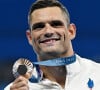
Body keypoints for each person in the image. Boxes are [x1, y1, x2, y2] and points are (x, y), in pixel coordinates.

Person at [4, 0, 100, 90]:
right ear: (30, 37)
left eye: (56, 24)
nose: (48, 31)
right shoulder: (16, 88)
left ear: (71, 31)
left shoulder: (97, 74)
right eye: (39, 26)